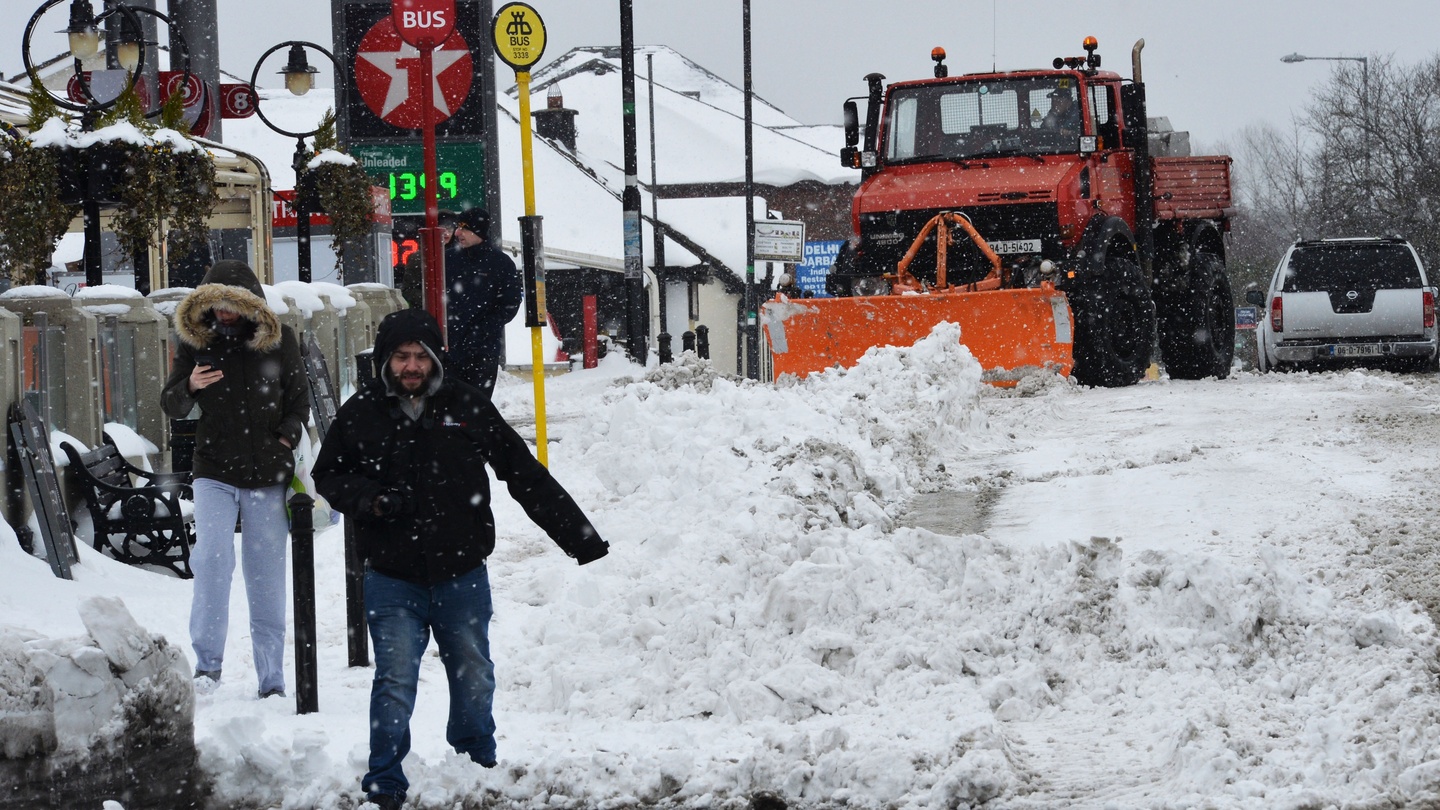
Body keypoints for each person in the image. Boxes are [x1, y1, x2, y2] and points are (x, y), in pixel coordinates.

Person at [312, 308, 608, 810]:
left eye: (420, 356)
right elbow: (329, 475)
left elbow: (523, 473)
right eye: (401, 357)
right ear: (386, 361)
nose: (411, 366)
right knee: (395, 678)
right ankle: (384, 780)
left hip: (461, 570)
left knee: (473, 671)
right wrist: (371, 499)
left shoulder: (467, 405)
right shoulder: (360, 412)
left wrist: (581, 539)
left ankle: (475, 763)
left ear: (434, 358)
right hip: (391, 573)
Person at [160, 259, 310, 700]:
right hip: (214, 471)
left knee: (265, 574)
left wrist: (284, 437)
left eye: (231, 306)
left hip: (268, 473)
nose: (223, 314)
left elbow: (298, 403)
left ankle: (272, 678)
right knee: (211, 562)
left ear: (248, 306)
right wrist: (188, 385)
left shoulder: (279, 343)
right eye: (215, 306)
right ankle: (207, 668)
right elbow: (171, 405)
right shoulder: (195, 345)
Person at [444, 207, 522, 398]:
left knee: (477, 405)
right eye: (458, 227)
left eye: (464, 228)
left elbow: (509, 304)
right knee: (448, 407)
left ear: (479, 232)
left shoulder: (500, 263)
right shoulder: (447, 260)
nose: (458, 233)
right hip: (448, 350)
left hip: (482, 351)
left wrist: (482, 330)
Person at [396, 213, 457, 309]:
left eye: (450, 229)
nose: (446, 233)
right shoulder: (418, 258)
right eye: (442, 228)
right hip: (427, 312)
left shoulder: (462, 255)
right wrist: (433, 300)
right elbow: (408, 290)